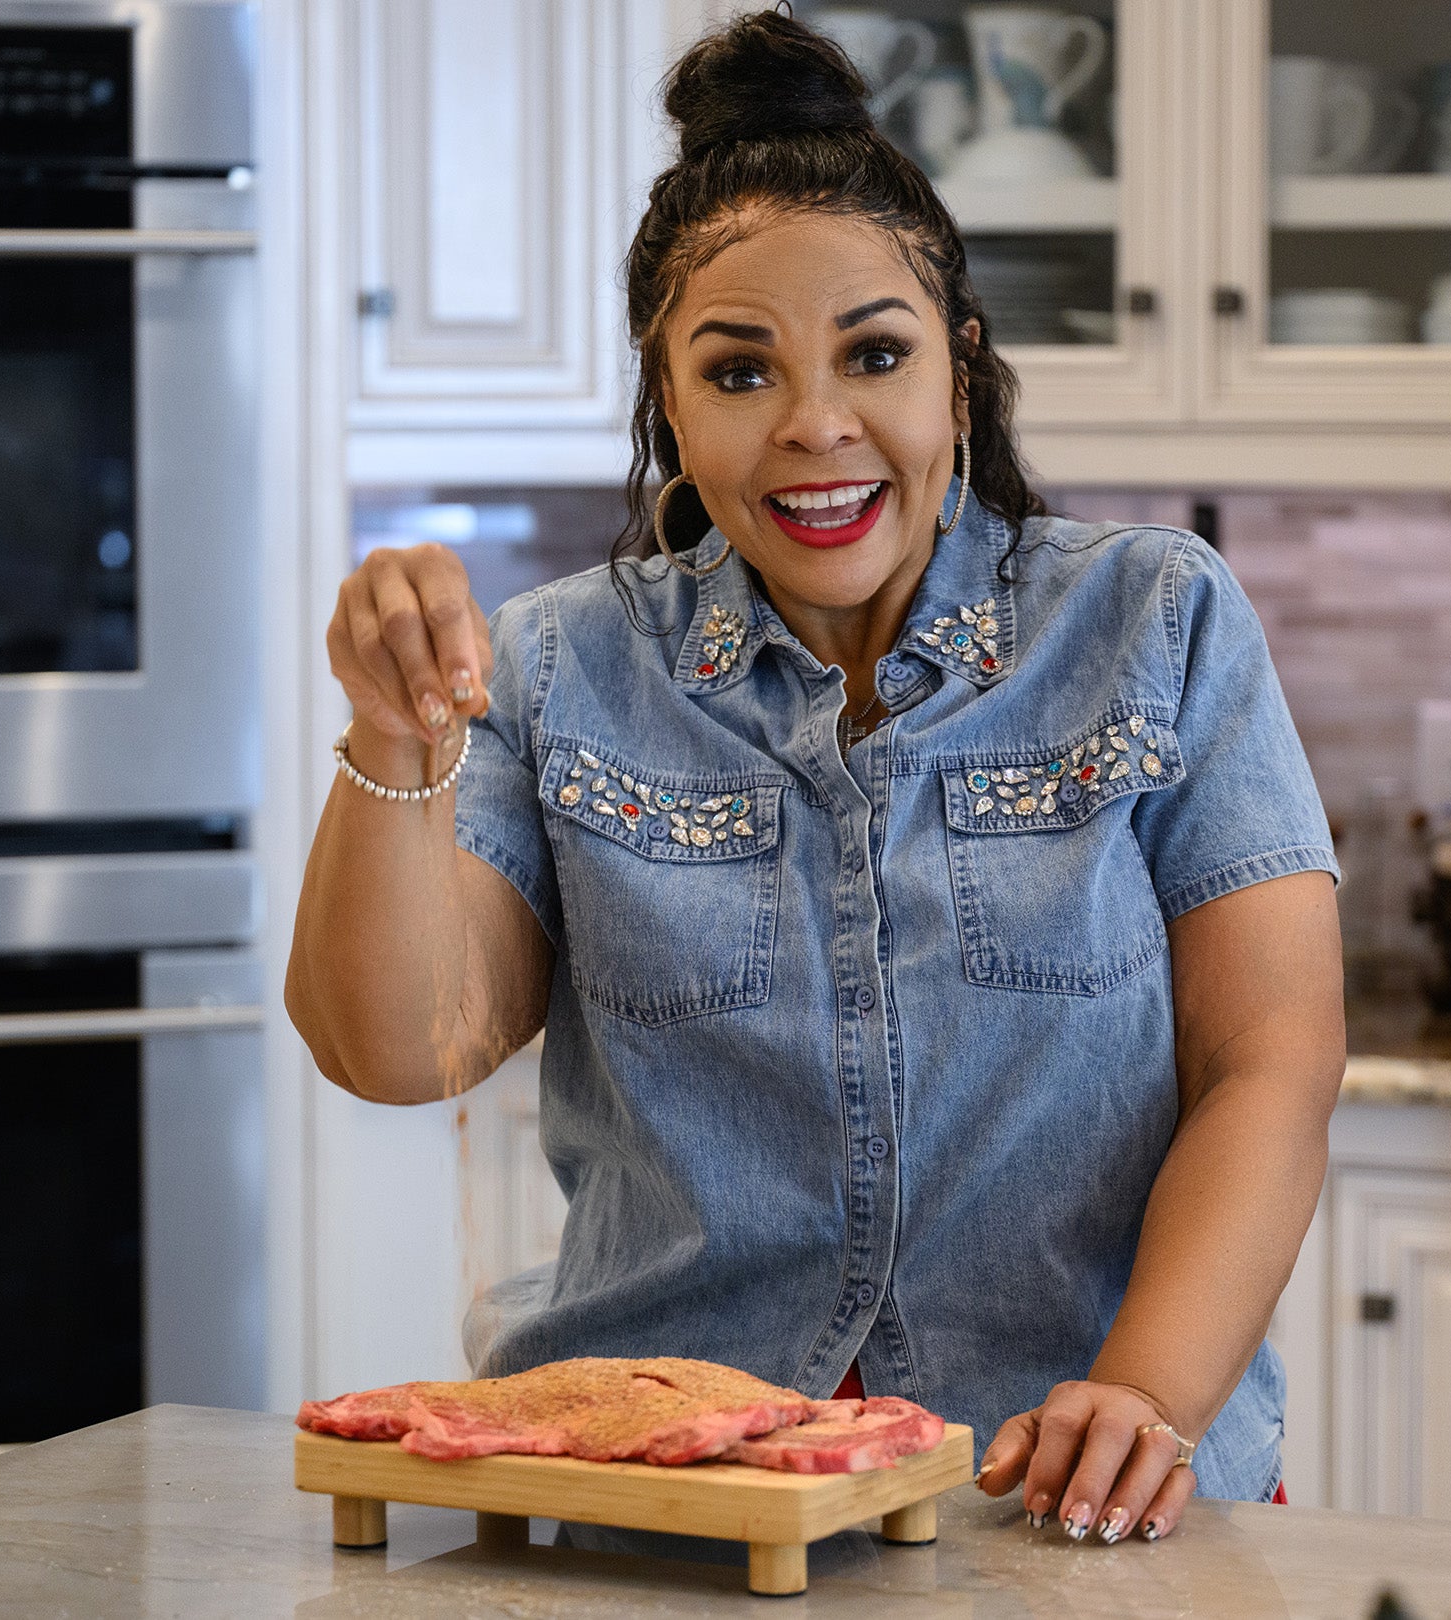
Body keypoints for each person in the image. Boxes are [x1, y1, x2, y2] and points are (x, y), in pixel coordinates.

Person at [286, 10, 1344, 1548]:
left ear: (958, 373)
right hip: (663, 1520)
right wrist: (394, 739)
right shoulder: (558, 671)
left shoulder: (1156, 623)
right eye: (740, 371)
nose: (816, 426)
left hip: (1065, 1498)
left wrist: (1146, 1396)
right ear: (670, 404)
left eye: (875, 353)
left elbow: (1273, 1057)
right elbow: (395, 1050)